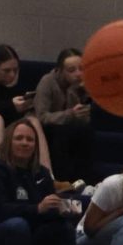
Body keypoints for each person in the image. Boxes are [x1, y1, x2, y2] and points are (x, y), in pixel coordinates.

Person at [33, 47, 94, 183]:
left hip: (70, 129)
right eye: (71, 70)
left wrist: (87, 96)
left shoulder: (80, 85)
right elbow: (41, 117)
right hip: (47, 131)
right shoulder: (47, 82)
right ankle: (62, 180)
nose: (78, 74)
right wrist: (70, 114)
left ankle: (86, 181)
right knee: (63, 133)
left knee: (86, 131)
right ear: (60, 71)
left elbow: (85, 119)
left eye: (81, 69)